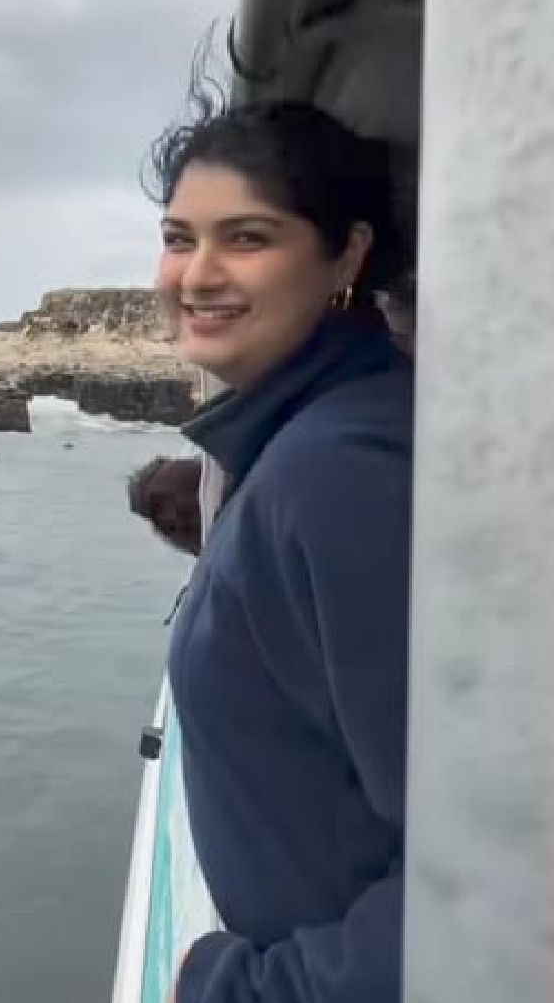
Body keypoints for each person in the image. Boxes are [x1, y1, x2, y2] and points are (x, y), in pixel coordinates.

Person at [146, 99, 414, 1003]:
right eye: (179, 239)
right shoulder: (304, 437)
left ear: (347, 255)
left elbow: (502, 867)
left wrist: (240, 990)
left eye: (248, 238)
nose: (198, 274)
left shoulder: (343, 471)